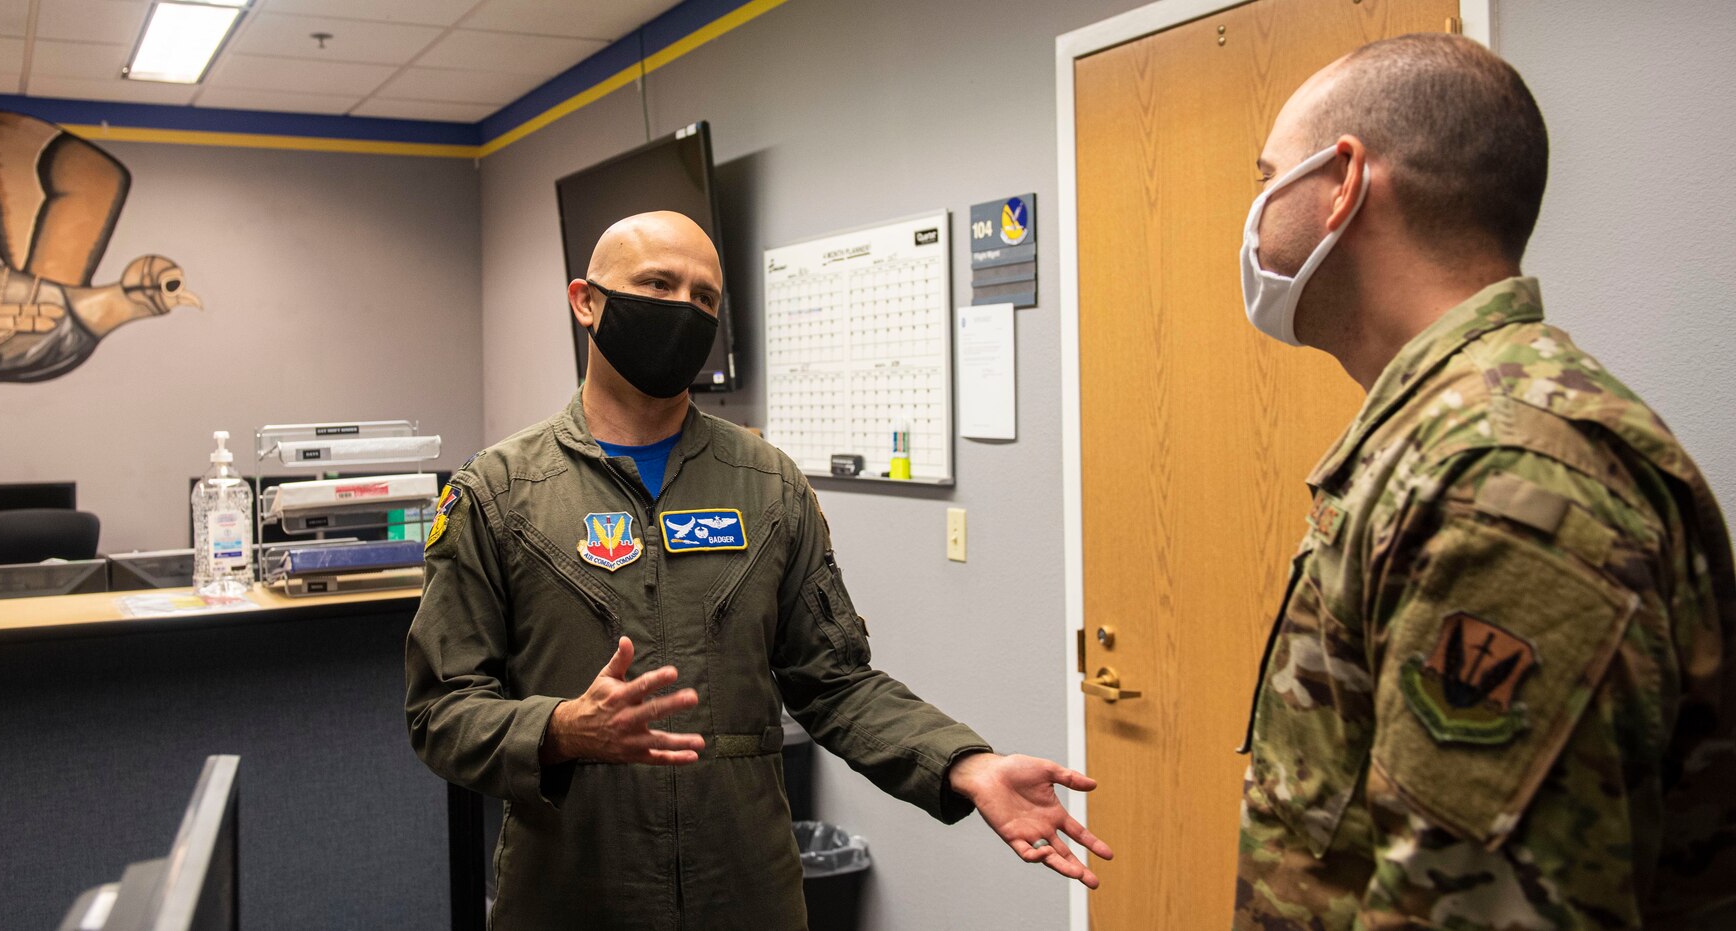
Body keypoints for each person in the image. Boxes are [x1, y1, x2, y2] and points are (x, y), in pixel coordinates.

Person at [406, 210, 1112, 929]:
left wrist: (963, 763)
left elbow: (834, 682)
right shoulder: (497, 492)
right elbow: (440, 710)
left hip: (744, 894)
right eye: (658, 283)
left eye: (705, 297)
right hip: (572, 894)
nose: (684, 308)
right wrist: (559, 728)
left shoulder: (768, 483)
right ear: (586, 301)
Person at [1232, 33, 1735, 929]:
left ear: (1342, 182)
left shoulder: (1503, 475)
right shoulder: (1442, 428)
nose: (1255, 212)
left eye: (1268, 177)